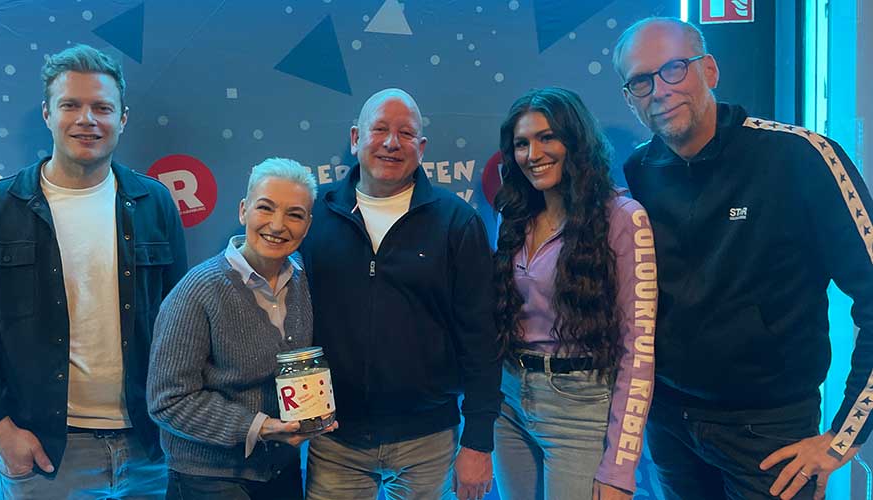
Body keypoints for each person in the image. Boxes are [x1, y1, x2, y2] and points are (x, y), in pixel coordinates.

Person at [613, 17, 873, 500]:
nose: (660, 90)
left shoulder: (800, 157)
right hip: (669, 425)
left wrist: (843, 437)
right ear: (630, 99)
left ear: (709, 70)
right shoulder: (638, 172)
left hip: (769, 433)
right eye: (641, 81)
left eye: (674, 69)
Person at [0, 44, 188, 498]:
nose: (86, 119)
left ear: (122, 119)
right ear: (47, 114)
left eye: (102, 108)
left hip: (150, 448)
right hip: (45, 456)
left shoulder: (155, 203)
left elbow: (182, 326)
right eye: (71, 105)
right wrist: (0, 431)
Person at [299, 88, 502, 500]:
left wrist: (478, 441)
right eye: (380, 130)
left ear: (421, 148)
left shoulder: (457, 221)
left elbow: (482, 337)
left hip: (429, 442)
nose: (392, 143)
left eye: (406, 133)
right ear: (355, 139)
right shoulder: (314, 216)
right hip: (335, 441)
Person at [491, 87, 657, 500]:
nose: (533, 154)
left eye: (547, 137)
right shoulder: (514, 216)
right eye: (522, 144)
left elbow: (638, 350)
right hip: (509, 404)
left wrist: (620, 469)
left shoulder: (624, 218)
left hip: (579, 411)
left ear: (576, 140)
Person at [148, 158, 334, 500]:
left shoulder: (305, 280)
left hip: (280, 471)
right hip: (209, 479)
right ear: (243, 210)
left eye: (294, 214)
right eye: (265, 208)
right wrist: (261, 428)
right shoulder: (198, 290)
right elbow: (168, 401)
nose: (277, 225)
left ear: (307, 226)